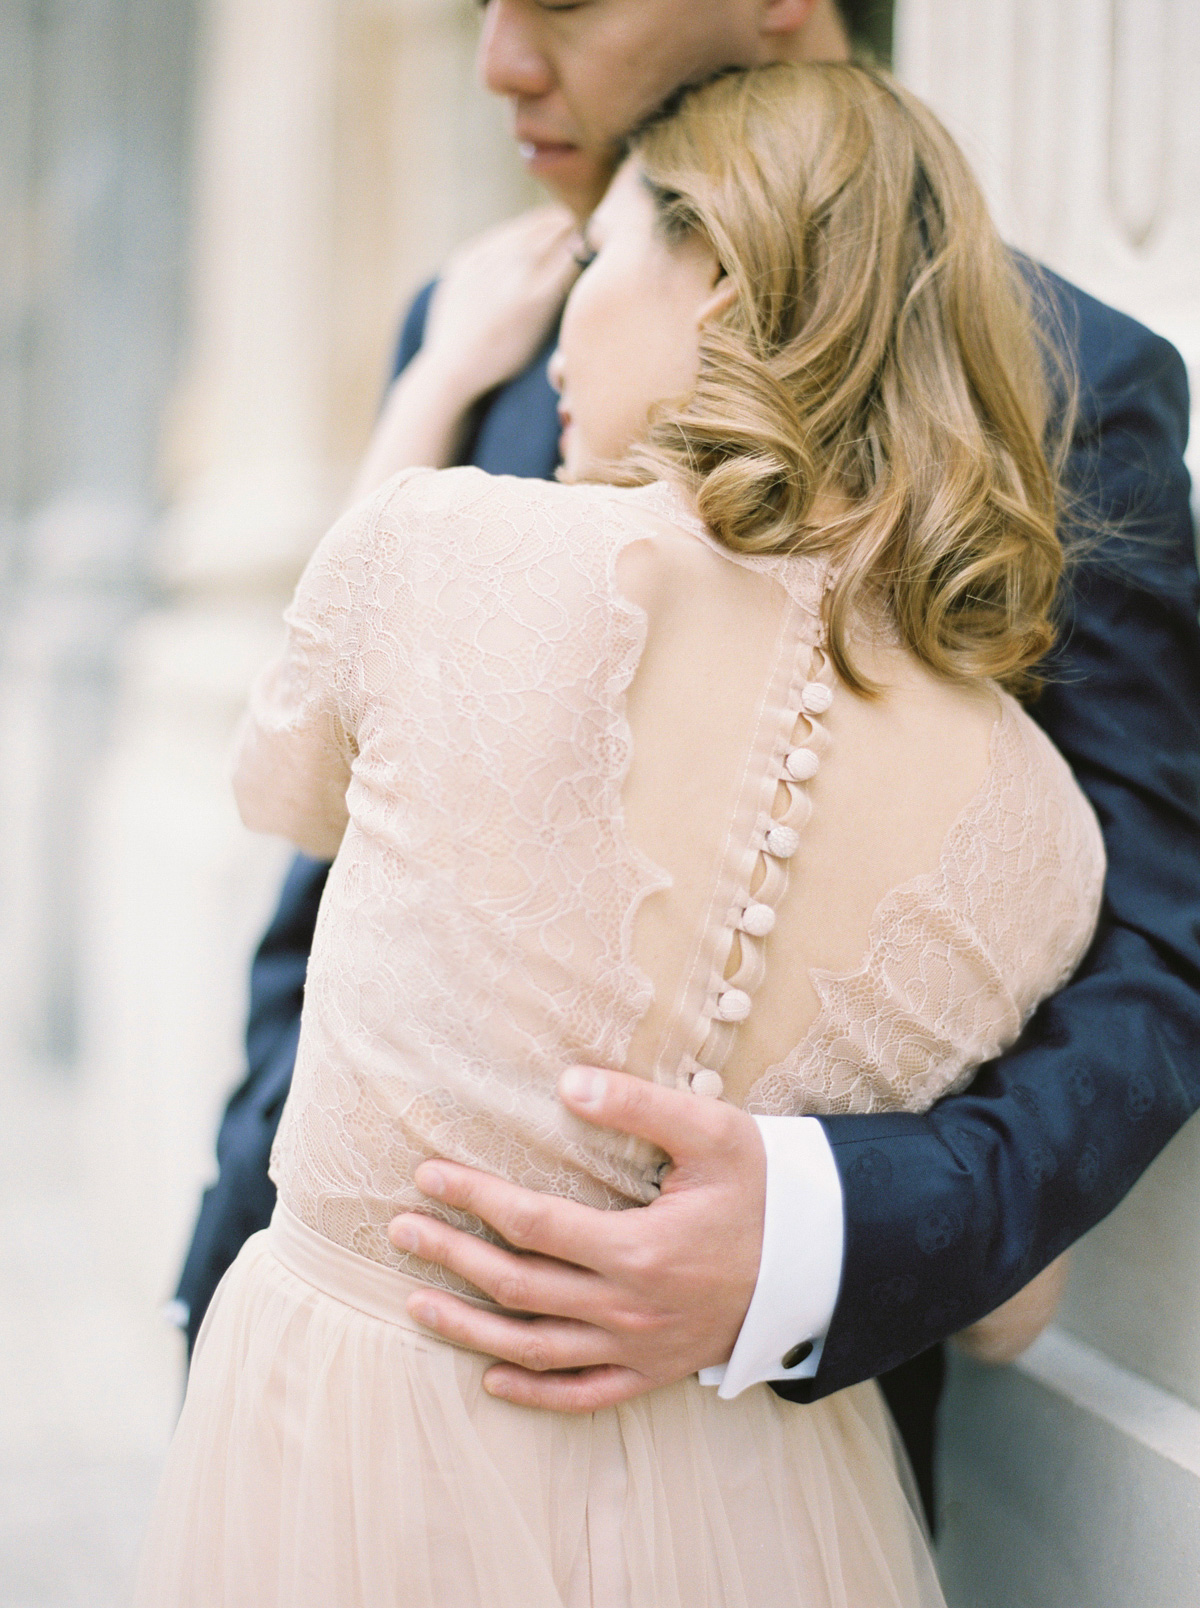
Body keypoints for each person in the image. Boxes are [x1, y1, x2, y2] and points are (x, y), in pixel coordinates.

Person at [173, 0, 1200, 1532]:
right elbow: (333, 882)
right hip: (330, 1397)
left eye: (566, 4)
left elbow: (1153, 940)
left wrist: (813, 1242)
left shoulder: (1075, 381)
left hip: (753, 1433)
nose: (501, 62)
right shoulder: (487, 323)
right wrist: (243, 1237)